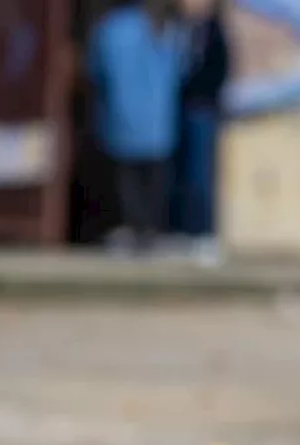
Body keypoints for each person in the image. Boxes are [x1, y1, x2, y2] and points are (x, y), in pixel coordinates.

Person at [87, 0, 188, 257]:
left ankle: (134, 229)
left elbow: (96, 70)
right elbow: (182, 69)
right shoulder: (169, 28)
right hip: (159, 119)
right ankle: (150, 232)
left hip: (123, 116)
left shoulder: (111, 28)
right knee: (155, 181)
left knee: (128, 181)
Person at [171, 0, 230, 267]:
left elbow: (219, 69)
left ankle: (205, 234)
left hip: (203, 109)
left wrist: (201, 94)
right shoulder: (178, 30)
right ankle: (182, 231)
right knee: (179, 174)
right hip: (178, 110)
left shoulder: (214, 32)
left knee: (201, 175)